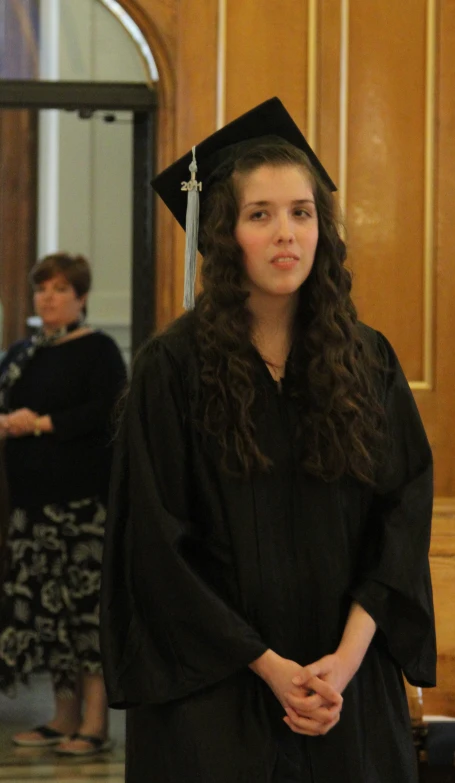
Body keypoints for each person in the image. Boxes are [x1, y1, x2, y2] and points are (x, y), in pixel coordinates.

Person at [101, 98, 436, 783]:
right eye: (261, 214)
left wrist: (341, 661)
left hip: (346, 696)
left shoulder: (367, 361)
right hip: (215, 697)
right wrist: (270, 667)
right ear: (226, 233)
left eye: (301, 212)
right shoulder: (174, 369)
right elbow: (158, 547)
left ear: (322, 230)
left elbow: (400, 520)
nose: (286, 232)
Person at [0, 253, 127, 757]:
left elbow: (109, 410)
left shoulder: (97, 350)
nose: (48, 298)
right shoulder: (22, 352)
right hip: (31, 507)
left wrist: (43, 423)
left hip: (80, 508)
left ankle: (94, 725)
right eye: (42, 289)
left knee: (82, 615)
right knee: (46, 615)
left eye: (58, 289)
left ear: (81, 297)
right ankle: (62, 716)